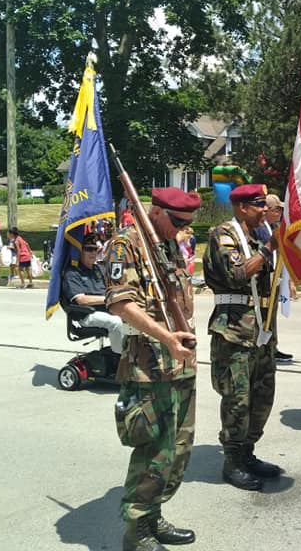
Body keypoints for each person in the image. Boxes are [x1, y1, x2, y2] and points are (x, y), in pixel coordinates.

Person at [104, 187, 200, 551]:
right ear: (156, 211)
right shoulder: (125, 245)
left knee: (178, 447)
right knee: (153, 449)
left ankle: (154, 514)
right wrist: (167, 336)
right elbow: (122, 304)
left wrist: (181, 342)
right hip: (148, 364)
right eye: (176, 222)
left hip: (179, 361)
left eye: (187, 225)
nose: (180, 230)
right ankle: (136, 530)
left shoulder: (167, 245)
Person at [203, 184, 283, 491]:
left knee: (262, 397)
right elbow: (238, 274)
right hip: (234, 331)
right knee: (238, 400)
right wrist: (268, 249)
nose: (265, 210)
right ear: (240, 208)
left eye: (265, 205)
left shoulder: (260, 235)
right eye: (258, 205)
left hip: (261, 332)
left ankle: (248, 453)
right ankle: (232, 460)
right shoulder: (224, 235)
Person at [62, 234, 127, 351]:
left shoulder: (99, 269)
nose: (93, 253)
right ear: (79, 252)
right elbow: (81, 300)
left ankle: (134, 354)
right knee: (116, 322)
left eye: (95, 249)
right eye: (88, 249)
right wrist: (108, 299)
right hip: (87, 314)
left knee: (135, 315)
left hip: (107, 308)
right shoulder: (72, 273)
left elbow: (114, 285)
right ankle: (120, 359)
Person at [256, 193, 294, 363]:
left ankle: (272, 346)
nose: (280, 212)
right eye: (278, 209)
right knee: (264, 314)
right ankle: (265, 347)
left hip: (274, 276)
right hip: (264, 278)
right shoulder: (259, 228)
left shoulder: (271, 227)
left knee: (271, 314)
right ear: (268, 210)